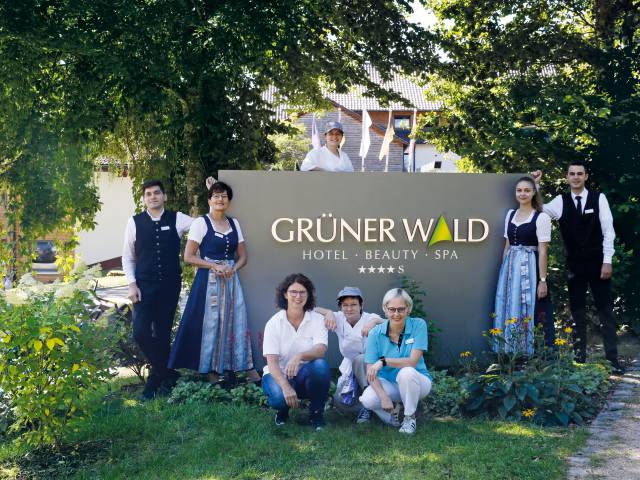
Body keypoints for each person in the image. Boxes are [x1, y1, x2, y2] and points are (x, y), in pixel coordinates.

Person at [532, 162, 623, 373]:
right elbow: (539, 210)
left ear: (586, 176)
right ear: (566, 178)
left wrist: (607, 260)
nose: (575, 177)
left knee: (606, 312)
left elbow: (608, 231)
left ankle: (612, 361)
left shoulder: (598, 198)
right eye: (572, 174)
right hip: (574, 266)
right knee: (577, 313)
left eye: (579, 174)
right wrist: (535, 186)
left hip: (599, 263)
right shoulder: (561, 202)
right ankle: (579, 360)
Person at [168, 181, 260, 383]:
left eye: (224, 196)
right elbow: (189, 256)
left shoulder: (234, 224)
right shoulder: (201, 223)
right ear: (209, 200)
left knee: (236, 320)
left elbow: (243, 256)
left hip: (230, 280)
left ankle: (242, 367)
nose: (220, 199)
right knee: (210, 324)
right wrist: (213, 266)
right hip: (207, 280)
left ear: (229, 201)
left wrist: (232, 269)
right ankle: (211, 369)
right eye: (216, 196)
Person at [122, 179, 194, 400]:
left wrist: (213, 195)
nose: (152, 197)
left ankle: (155, 383)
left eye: (156, 193)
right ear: (144, 199)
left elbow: (204, 225)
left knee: (163, 334)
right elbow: (128, 256)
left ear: (164, 197)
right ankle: (166, 374)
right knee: (140, 332)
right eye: (148, 194)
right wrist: (132, 284)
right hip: (143, 287)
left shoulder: (178, 219)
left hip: (169, 286)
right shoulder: (134, 222)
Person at [262, 273, 330, 430]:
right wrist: (285, 386)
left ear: (308, 295)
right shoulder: (274, 323)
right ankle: (282, 410)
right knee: (279, 398)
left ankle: (316, 413)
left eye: (302, 292)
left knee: (320, 365)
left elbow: (321, 350)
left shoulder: (317, 319)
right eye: (293, 292)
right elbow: (271, 364)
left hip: (305, 374)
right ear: (285, 294)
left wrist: (299, 356)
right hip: (278, 374)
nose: (298, 296)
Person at [493, 176, 554, 354]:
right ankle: (508, 351)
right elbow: (507, 246)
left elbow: (543, 251)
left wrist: (542, 280)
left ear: (534, 192)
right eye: (519, 190)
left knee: (528, 305)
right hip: (510, 267)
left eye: (527, 190)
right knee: (509, 304)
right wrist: (504, 271)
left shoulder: (541, 217)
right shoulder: (510, 215)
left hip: (530, 265)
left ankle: (528, 352)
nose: (523, 193)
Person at [360, 288, 432, 435]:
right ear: (385, 309)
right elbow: (370, 371)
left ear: (408, 309)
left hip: (418, 381)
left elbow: (412, 362)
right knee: (368, 399)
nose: (396, 314)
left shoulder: (419, 325)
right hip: (390, 384)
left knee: (406, 372)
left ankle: (409, 417)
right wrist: (383, 397)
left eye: (401, 309)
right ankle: (392, 415)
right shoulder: (375, 333)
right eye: (392, 309)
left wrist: (384, 361)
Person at [315, 287, 383, 423]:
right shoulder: (339, 317)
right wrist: (328, 312)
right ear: (340, 307)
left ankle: (368, 407)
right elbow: (313, 309)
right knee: (341, 402)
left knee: (360, 359)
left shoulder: (370, 317)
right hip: (349, 367)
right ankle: (372, 404)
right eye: (345, 305)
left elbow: (387, 322)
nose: (349, 309)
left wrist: (373, 323)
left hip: (371, 366)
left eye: (353, 304)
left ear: (361, 305)